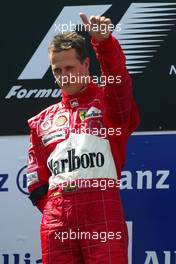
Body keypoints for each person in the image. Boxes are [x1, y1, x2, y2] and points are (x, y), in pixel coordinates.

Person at [27, 13, 140, 264]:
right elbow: (36, 183)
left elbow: (120, 84)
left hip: (101, 212)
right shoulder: (41, 122)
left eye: (70, 68)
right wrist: (57, 209)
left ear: (86, 65)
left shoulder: (109, 106)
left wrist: (104, 43)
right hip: (57, 221)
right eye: (57, 70)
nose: (63, 76)